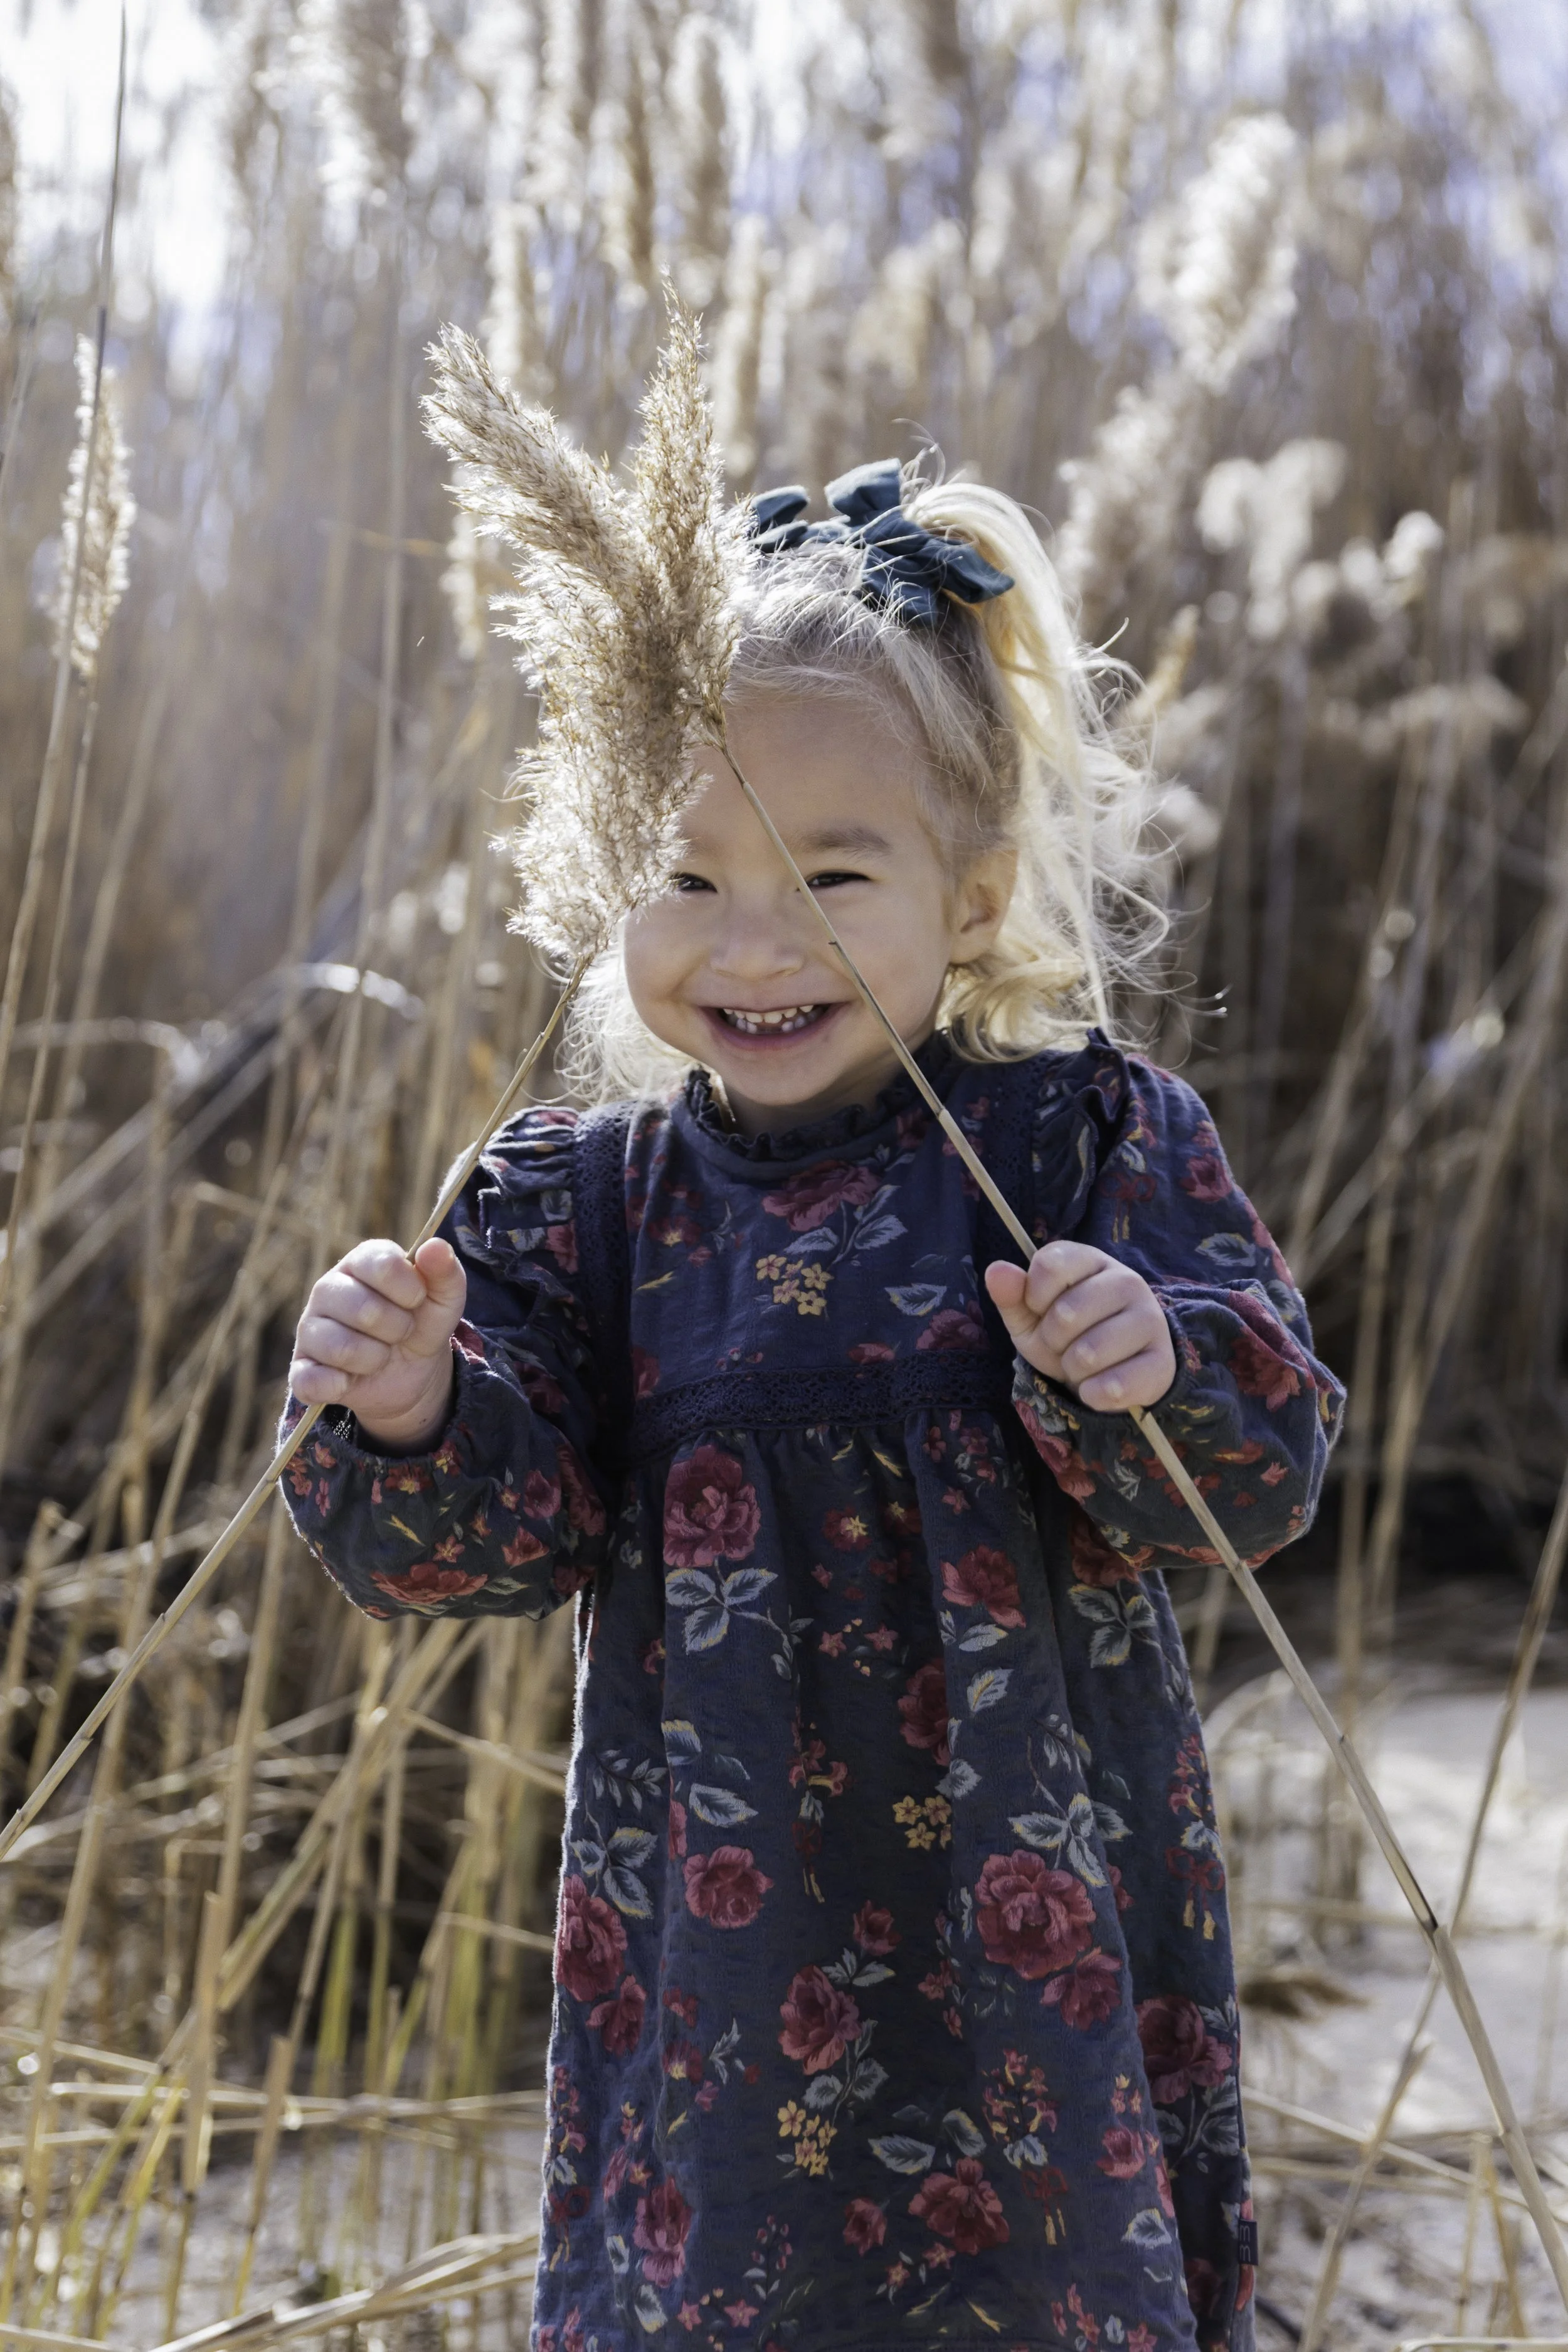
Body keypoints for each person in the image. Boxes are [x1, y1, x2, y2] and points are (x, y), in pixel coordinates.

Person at [283, 459, 1344, 2352]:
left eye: (831, 877)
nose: (755, 945)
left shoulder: (1069, 1143)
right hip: (723, 1959)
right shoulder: (589, 1207)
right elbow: (479, 1543)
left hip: (1035, 1939)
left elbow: (1252, 1482)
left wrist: (1145, 1357)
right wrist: (410, 1392)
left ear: (977, 888)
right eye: (689, 878)